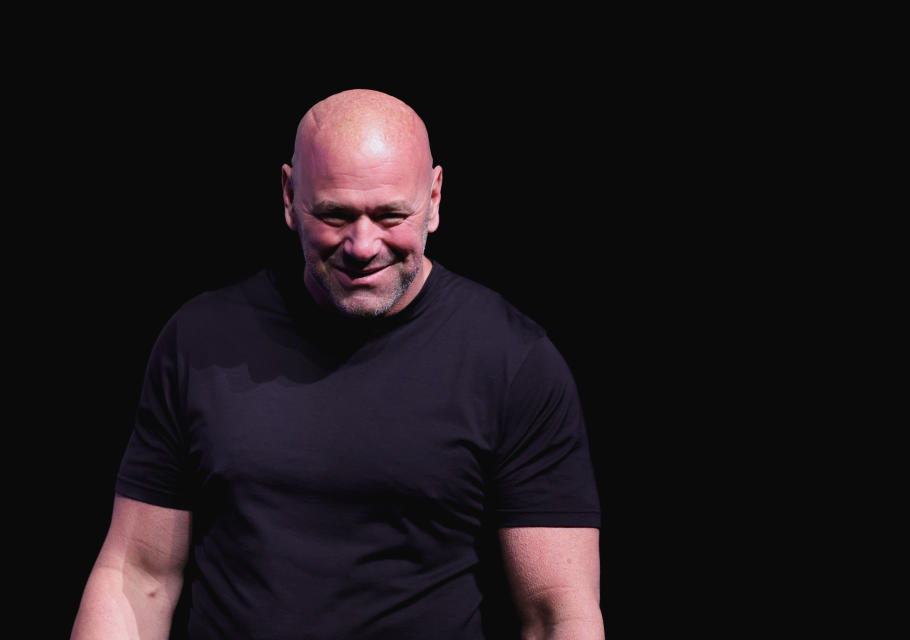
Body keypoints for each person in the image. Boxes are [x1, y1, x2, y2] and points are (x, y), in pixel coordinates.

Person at [71, 89, 604, 639]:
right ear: (288, 194)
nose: (362, 245)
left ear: (436, 198)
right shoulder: (200, 340)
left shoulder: (514, 360)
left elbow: (557, 612)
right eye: (335, 214)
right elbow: (136, 578)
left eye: (391, 215)